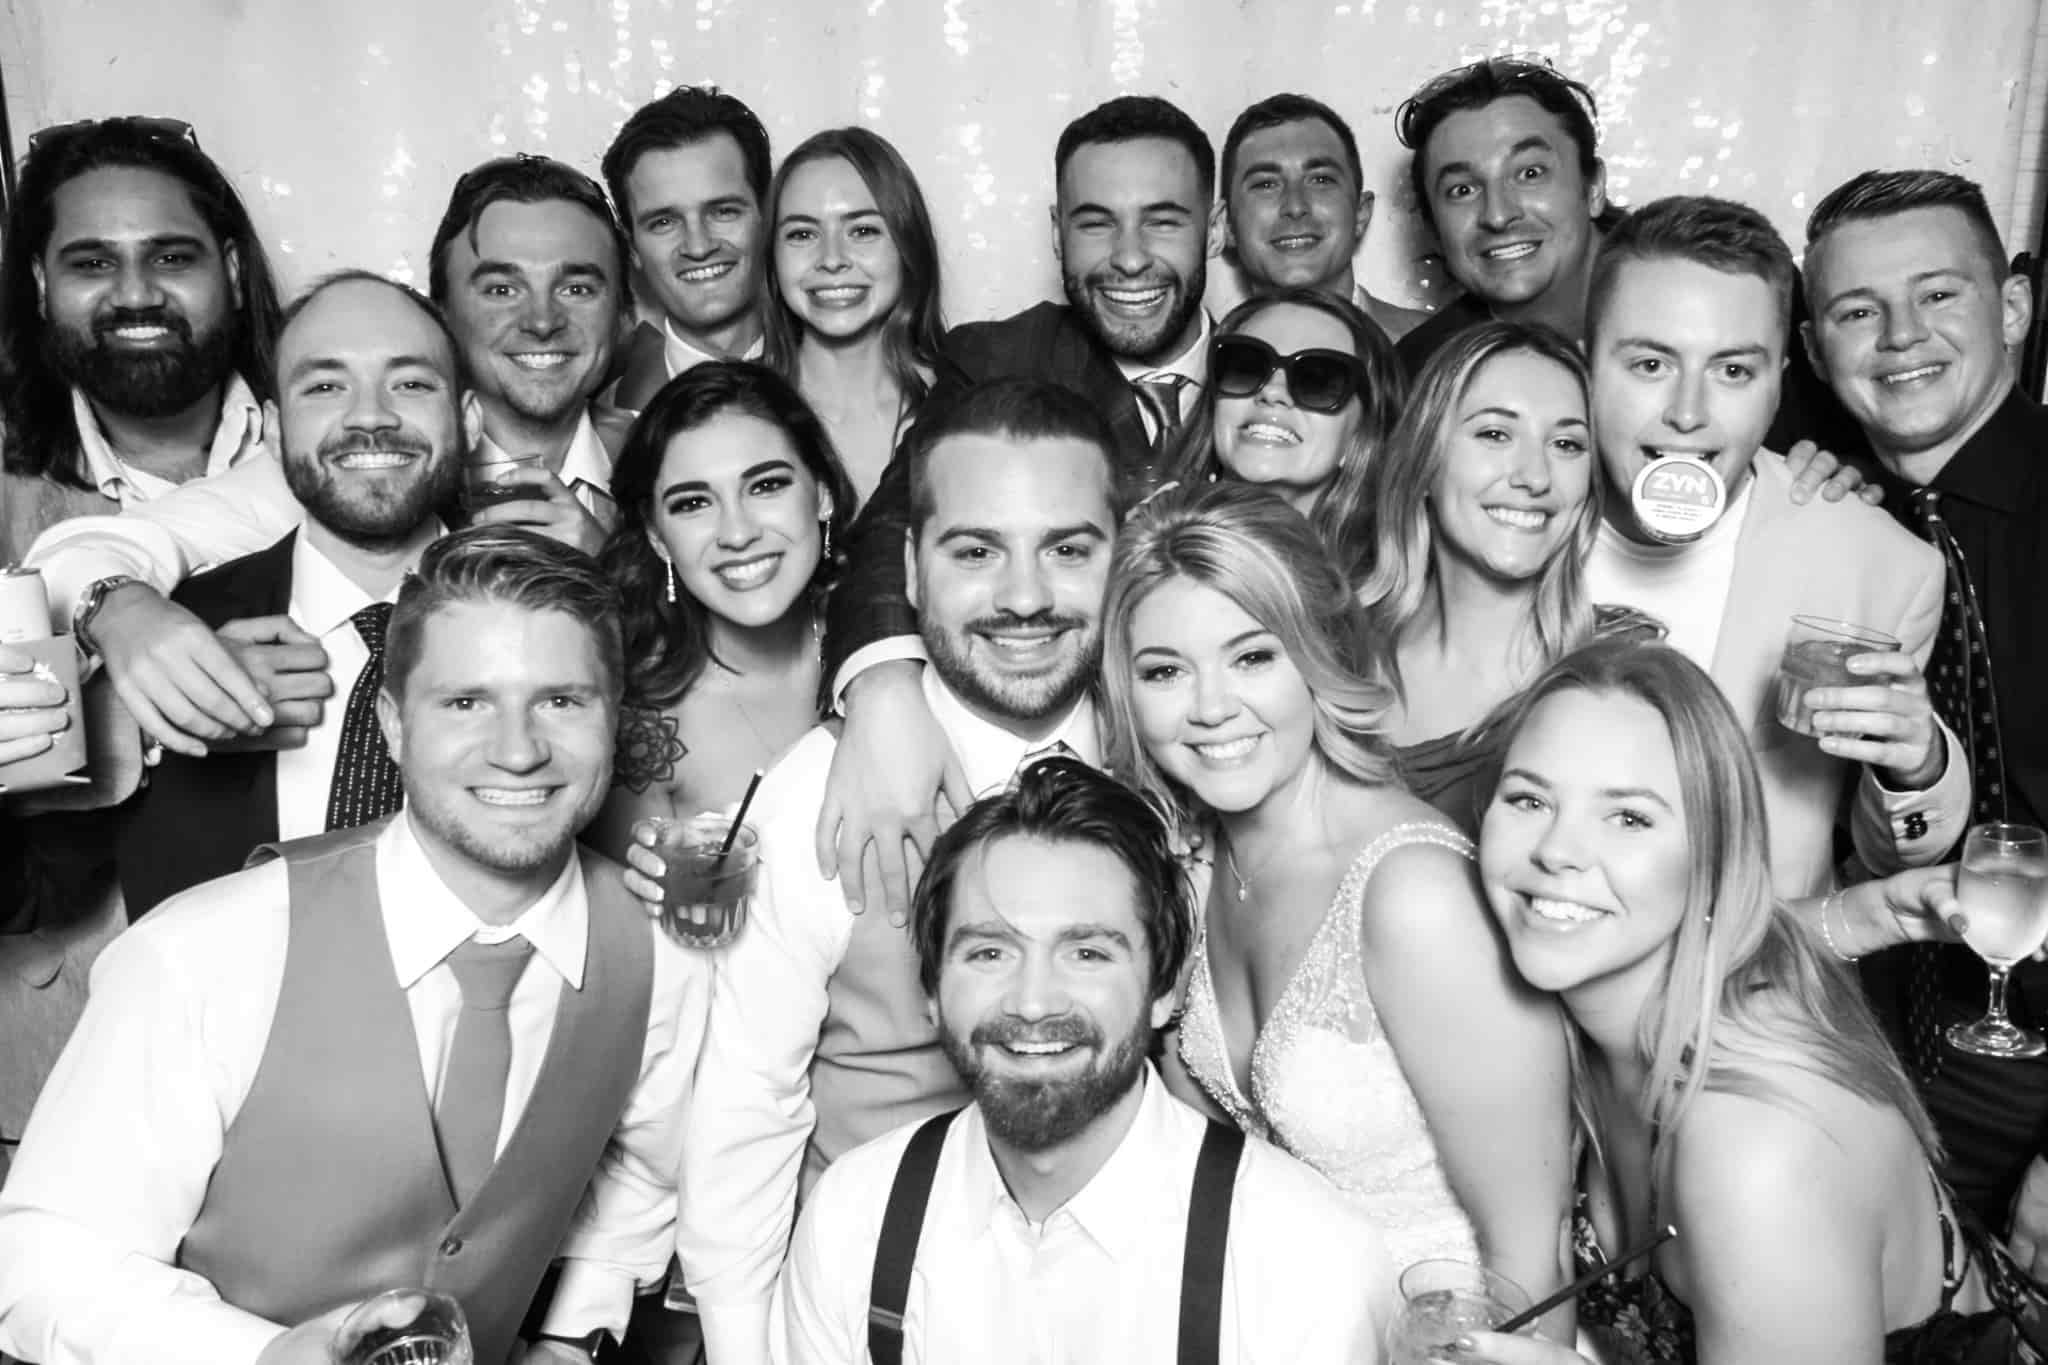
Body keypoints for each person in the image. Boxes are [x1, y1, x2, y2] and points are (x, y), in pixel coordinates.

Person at [0, 524, 710, 1365]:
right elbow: (42, 1262)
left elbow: (640, 1168)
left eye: (561, 700)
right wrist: (261, 1356)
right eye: (466, 702)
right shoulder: (205, 953)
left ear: (615, 722)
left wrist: (570, 1335)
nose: (518, 751)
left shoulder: (659, 956)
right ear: (393, 725)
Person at [671, 379, 1121, 1365]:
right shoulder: (813, 800)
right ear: (911, 569)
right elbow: (746, 1112)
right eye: (976, 552)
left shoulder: (1170, 751)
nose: (1024, 597)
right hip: (877, 1315)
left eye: (1067, 549)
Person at [1460, 639, 2040, 1365]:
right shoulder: (1585, 1013)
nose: (1556, 850)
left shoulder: (1755, 1143)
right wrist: (1862, 915)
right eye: (1529, 799)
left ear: (1714, 854)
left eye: (1629, 818)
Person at [1100, 481, 1572, 1313]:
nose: (1211, 708)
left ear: (1317, 652)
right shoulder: (1196, 863)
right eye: (1166, 670)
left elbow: (1534, 1251)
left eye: (1253, 657)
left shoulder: (1414, 894)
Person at [777, 757, 1395, 1363]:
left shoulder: (1306, 1265)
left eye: (1087, 954)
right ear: (932, 992)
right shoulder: (852, 1220)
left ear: (1164, 990)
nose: (1033, 1003)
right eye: (990, 953)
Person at [23, 155, 633, 758]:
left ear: (623, 310)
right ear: (442, 315)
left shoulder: (660, 457)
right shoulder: (334, 471)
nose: (542, 320)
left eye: (578, 287)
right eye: (501, 289)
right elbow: (96, 550)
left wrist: (624, 575)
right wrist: (121, 613)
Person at [814, 94, 1221, 923]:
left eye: (1163, 221)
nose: (1129, 258)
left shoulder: (1290, 363)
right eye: (1096, 223)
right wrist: (884, 684)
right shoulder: (998, 356)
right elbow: (897, 522)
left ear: (1214, 229)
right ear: (1057, 232)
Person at [1578, 195, 1965, 899]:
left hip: (1747, 961)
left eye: (1732, 371)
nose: (1688, 413)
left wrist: (1917, 768)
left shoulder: (1880, 565)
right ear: (1586, 365)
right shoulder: (1501, 519)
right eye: (1650, 364)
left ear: (1778, 383)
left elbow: (1889, 858)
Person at [1802, 169, 2048, 1249]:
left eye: (1938, 294)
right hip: (1873, 1040)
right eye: (1857, 311)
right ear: (1815, 351)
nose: (1900, 336)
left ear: (2012, 306)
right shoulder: (1824, 521)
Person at [115, 271, 469, 917]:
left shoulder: (558, 621)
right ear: (275, 431)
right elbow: (32, 895)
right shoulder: (172, 632)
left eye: (412, 384)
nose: (370, 416)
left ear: (467, 418)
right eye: (325, 386)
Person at [1390, 56, 1858, 459]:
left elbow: (1865, 452)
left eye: (1530, 173)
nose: (1498, 214)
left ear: (1593, 188)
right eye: (1462, 190)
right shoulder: (1414, 376)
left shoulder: (1736, 285)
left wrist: (1843, 477)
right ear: (1434, 224)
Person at [1359, 319, 1644, 832]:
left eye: (1567, 445)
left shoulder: (1628, 673)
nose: (1534, 477)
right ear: (1425, 461)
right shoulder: (1334, 653)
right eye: (1495, 434)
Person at [590, 361, 854, 850]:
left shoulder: (884, 637)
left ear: (821, 493)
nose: (737, 533)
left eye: (766, 486)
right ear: (657, 536)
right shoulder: (645, 727)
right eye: (692, 503)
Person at [0, 116, 282, 561]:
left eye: (171, 258)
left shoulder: (335, 430)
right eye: (92, 264)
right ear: (40, 285)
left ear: (232, 272)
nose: (135, 296)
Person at [762, 126, 954, 505]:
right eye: (802, 234)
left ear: (907, 244)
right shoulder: (736, 411)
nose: (832, 259)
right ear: (772, 257)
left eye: (863, 230)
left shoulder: (959, 402)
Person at [1160, 287, 1402, 583]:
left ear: (1361, 434)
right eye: (1247, 367)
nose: (1272, 392)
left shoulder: (1391, 593)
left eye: (1317, 380)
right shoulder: (1147, 552)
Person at [602, 86, 773, 411]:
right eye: (664, 222)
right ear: (632, 247)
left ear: (767, 215)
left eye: (723, 211)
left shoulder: (856, 385)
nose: (698, 246)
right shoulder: (607, 424)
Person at [1219, 91, 1431, 340]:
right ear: (1227, 225)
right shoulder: (1206, 360)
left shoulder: (1436, 347)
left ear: (1361, 213)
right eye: (1266, 184)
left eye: (1321, 180)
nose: (1295, 206)